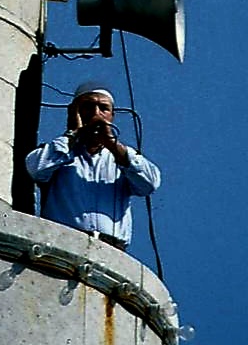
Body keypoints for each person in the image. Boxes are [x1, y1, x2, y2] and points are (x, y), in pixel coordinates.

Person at [25, 82, 160, 250]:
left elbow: (150, 184)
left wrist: (112, 144)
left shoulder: (122, 158)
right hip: (62, 245)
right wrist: (72, 133)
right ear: (74, 112)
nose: (96, 114)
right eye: (88, 107)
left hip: (110, 250)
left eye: (103, 108)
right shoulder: (58, 152)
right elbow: (36, 169)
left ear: (112, 115)